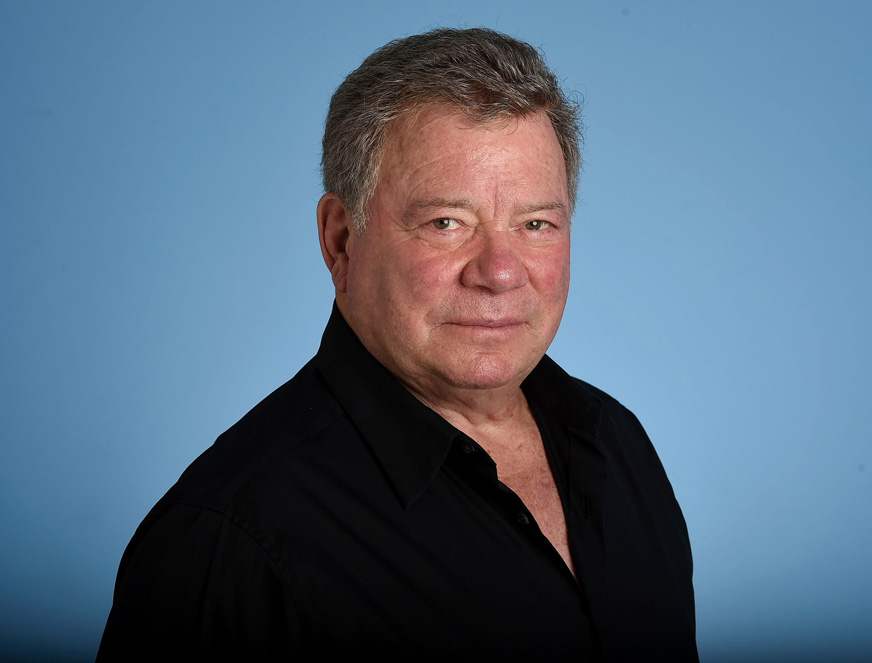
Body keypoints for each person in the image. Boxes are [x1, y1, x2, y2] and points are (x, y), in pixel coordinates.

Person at [97, 27, 698, 661]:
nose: (499, 270)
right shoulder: (229, 544)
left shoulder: (616, 440)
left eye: (536, 224)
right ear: (341, 239)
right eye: (446, 223)